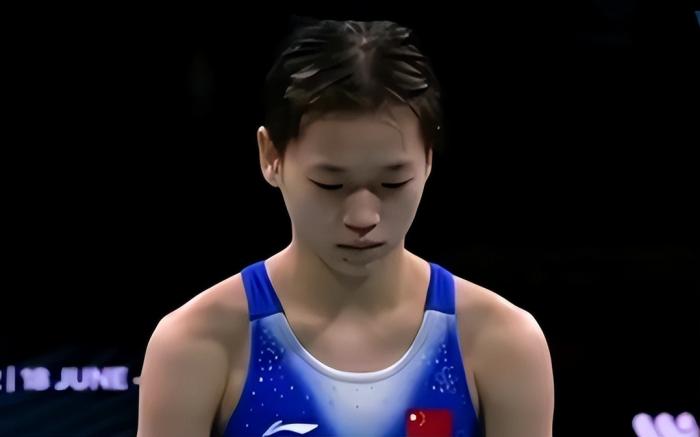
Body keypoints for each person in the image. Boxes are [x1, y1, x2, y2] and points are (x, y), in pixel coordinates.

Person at [137, 17, 554, 437]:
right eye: (330, 185)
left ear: (428, 159)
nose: (363, 218)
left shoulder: (503, 343)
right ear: (270, 157)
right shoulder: (194, 346)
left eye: (393, 183)